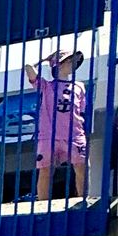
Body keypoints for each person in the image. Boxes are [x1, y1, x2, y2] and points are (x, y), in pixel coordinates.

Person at [26, 47, 88, 200]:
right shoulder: (47, 86)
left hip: (74, 134)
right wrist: (44, 59)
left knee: (82, 167)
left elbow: (81, 110)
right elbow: (28, 67)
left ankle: (83, 201)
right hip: (49, 135)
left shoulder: (79, 86)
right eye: (68, 60)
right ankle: (42, 205)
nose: (72, 63)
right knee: (45, 169)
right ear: (58, 65)